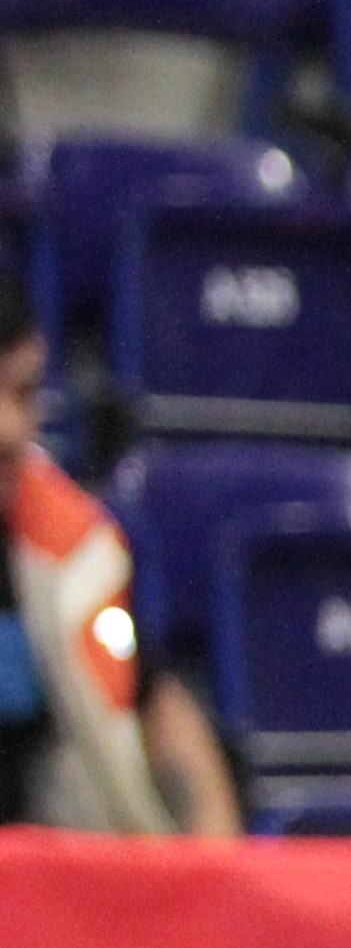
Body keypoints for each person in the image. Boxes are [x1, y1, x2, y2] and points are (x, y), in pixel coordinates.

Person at [0, 304, 237, 838]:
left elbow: (155, 703)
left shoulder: (67, 553)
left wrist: (215, 870)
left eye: (24, 394)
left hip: (50, 873)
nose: (9, 428)